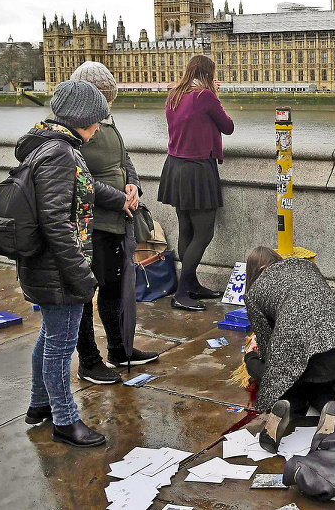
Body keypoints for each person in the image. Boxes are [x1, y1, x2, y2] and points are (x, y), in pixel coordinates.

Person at [18, 80, 128, 448]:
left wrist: (119, 199)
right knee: (60, 346)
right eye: (96, 119)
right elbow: (55, 223)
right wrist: (81, 275)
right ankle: (65, 420)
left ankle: (38, 405)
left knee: (49, 335)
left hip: (48, 266)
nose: (99, 127)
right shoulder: (60, 153)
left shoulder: (53, 145)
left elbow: (86, 189)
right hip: (59, 268)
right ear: (82, 118)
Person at [69, 62, 159, 385]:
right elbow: (82, 180)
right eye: (104, 100)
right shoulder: (75, 129)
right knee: (86, 295)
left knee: (111, 290)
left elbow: (125, 159)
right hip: (93, 224)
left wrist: (133, 185)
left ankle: (119, 349)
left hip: (117, 221)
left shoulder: (106, 119)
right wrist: (118, 197)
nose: (108, 108)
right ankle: (89, 360)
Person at [243, 246, 335, 453]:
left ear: (254, 270)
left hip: (304, 357)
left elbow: (268, 349)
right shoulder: (305, 266)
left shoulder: (254, 292)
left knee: (278, 376)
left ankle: (286, 405)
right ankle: (326, 407)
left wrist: (251, 353)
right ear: (278, 259)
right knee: (317, 381)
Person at [158, 55, 234, 311]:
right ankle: (181, 293)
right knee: (204, 232)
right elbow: (228, 126)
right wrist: (214, 94)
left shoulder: (174, 95)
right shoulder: (205, 97)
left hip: (175, 167)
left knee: (186, 229)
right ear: (208, 73)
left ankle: (191, 285)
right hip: (198, 169)